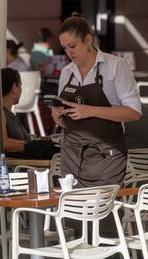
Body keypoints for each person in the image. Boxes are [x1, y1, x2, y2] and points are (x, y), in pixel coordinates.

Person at [51, 13, 142, 187]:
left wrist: (89, 110)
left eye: (72, 46)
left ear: (87, 40)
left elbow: (134, 112)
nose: (69, 52)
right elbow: (72, 122)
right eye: (64, 48)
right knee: (72, 212)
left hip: (106, 156)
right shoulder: (66, 73)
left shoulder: (116, 66)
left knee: (103, 212)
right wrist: (60, 117)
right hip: (72, 157)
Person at [1, 67, 30, 152]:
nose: (21, 90)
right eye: (20, 86)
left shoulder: (7, 113)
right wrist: (32, 146)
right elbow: (2, 143)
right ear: (14, 88)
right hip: (17, 164)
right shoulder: (1, 113)